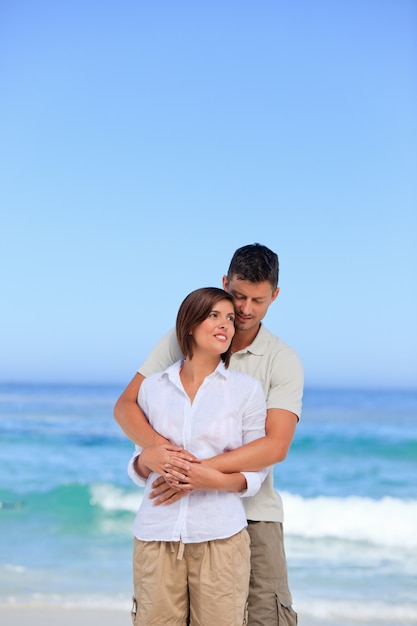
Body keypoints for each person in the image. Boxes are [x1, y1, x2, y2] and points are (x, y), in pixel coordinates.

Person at [114, 243, 304, 626]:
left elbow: (275, 445)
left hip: (253, 512)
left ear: (275, 297)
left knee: (265, 617)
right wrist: (163, 458)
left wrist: (201, 474)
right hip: (176, 517)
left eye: (258, 300)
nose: (246, 310)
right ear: (224, 283)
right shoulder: (187, 334)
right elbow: (127, 406)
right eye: (238, 297)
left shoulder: (281, 359)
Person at [128, 287, 268, 625]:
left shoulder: (245, 390)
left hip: (220, 538)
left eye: (230, 319)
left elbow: (256, 467)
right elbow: (138, 461)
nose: (225, 325)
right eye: (214, 316)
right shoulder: (153, 388)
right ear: (189, 324)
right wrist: (150, 458)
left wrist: (210, 479)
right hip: (156, 535)